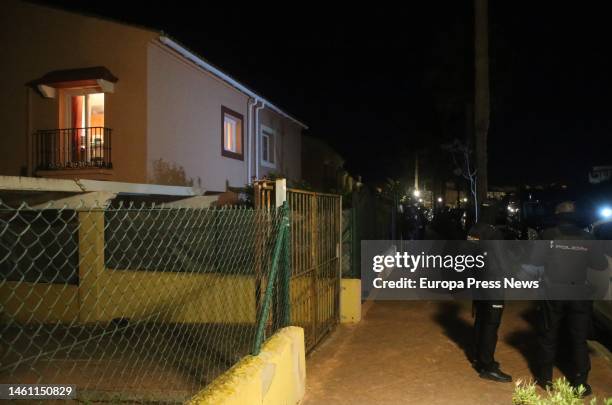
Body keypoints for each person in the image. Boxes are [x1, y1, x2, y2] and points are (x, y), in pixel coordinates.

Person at [534, 201, 608, 396]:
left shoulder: (548, 235)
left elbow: (535, 261)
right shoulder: (588, 237)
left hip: (554, 291)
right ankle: (580, 383)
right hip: (579, 293)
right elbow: (600, 265)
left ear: (557, 215)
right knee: (579, 339)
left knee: (548, 336)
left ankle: (544, 379)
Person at [467, 200, 513, 383]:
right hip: (493, 284)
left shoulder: (473, 231)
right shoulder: (494, 233)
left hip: (477, 282)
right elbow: (502, 262)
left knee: (480, 321)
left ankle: (479, 358)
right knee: (491, 324)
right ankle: (488, 367)